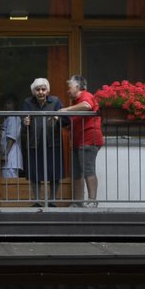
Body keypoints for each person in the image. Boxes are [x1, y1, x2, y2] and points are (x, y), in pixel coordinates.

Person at [60, 75, 104, 207]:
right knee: (76, 173)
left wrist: (66, 110)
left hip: (89, 139)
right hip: (78, 141)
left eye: (70, 87)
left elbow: (87, 105)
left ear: (78, 87)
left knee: (88, 170)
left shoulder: (86, 96)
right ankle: (78, 202)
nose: (68, 91)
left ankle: (92, 201)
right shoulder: (75, 103)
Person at [21, 78, 64, 208]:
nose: (41, 92)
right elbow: (23, 122)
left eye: (43, 89)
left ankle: (52, 201)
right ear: (34, 92)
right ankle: (38, 201)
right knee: (35, 173)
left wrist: (58, 118)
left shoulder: (55, 101)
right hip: (35, 143)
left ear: (48, 90)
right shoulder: (28, 102)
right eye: (38, 90)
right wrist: (25, 123)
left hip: (53, 143)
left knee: (54, 172)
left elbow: (67, 120)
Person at [0, 94, 24, 181]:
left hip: (10, 158)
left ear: (15, 104)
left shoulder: (13, 117)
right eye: (5, 104)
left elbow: (11, 137)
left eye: (9, 103)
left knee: (9, 183)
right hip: (8, 159)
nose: (6, 106)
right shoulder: (7, 118)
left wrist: (5, 154)